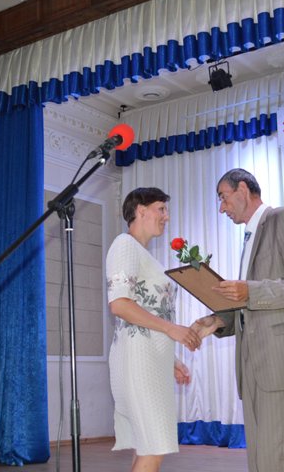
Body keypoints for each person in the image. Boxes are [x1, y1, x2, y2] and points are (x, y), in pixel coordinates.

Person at [193, 168, 284, 472]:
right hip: (251, 357)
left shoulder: (282, 218)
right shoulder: (251, 235)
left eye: (223, 198)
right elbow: (250, 304)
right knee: (259, 451)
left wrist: (250, 290)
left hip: (276, 356)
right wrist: (218, 322)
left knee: (274, 452)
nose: (222, 208)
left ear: (243, 190)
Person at [106, 187, 201, 472]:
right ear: (141, 210)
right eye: (161, 209)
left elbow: (149, 311)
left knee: (148, 447)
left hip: (149, 359)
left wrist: (170, 359)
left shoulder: (142, 254)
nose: (166, 216)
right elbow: (120, 305)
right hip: (138, 362)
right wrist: (172, 329)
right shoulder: (124, 244)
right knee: (155, 446)